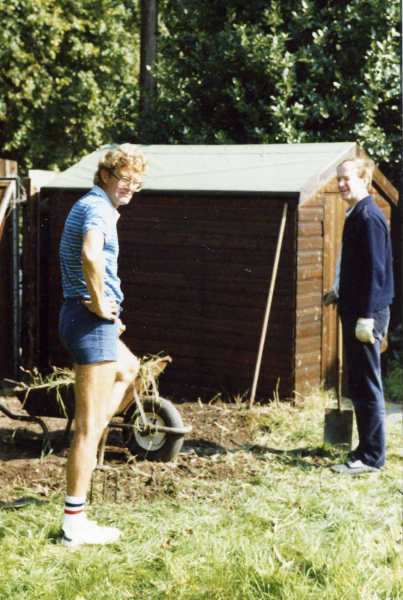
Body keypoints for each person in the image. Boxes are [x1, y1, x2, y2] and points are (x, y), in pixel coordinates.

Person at [58, 144, 147, 545]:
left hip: (95, 319)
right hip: (87, 319)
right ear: (107, 175)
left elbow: (96, 266)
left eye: (137, 182)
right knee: (86, 428)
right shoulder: (96, 208)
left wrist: (109, 309)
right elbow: (91, 256)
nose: (130, 187)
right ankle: (73, 524)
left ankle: (95, 430)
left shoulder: (101, 206)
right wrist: (97, 303)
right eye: (125, 178)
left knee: (130, 371)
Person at [324, 157, 394, 476]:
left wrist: (366, 316)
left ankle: (372, 457)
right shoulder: (355, 214)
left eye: (346, 179)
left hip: (367, 315)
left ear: (364, 179)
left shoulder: (369, 216)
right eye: (338, 179)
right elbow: (355, 266)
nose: (341, 184)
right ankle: (365, 449)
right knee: (359, 383)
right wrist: (339, 290)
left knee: (367, 385)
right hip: (355, 311)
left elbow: (377, 272)